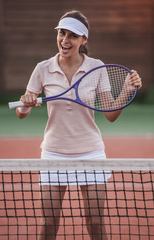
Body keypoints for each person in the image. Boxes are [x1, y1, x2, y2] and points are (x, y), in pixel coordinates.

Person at [16, 10, 142, 240]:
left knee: (94, 222)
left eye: (72, 35)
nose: (65, 40)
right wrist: (25, 104)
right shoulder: (43, 68)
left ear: (83, 40)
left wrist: (125, 91)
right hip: (53, 154)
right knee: (49, 223)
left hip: (91, 154)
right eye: (62, 33)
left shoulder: (96, 67)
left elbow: (110, 114)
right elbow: (22, 113)